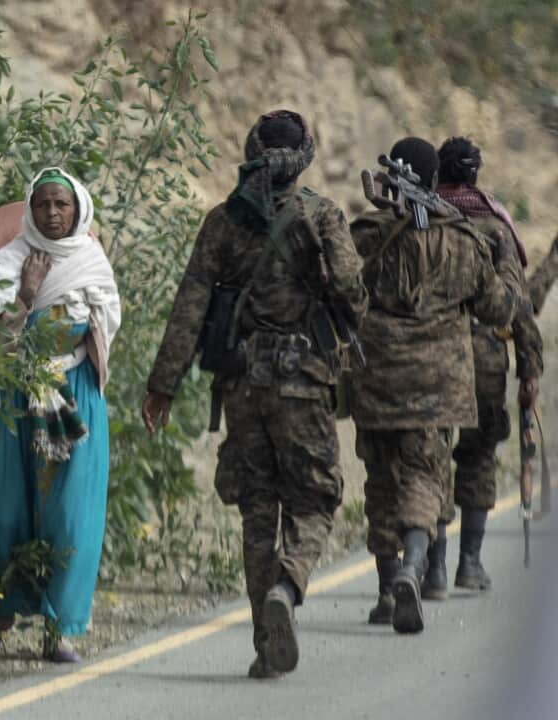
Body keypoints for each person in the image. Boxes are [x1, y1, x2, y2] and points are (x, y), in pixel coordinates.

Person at [141, 110, 366, 679]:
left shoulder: (222, 221)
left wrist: (162, 385)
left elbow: (190, 305)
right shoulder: (323, 216)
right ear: (305, 156)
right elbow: (350, 293)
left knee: (257, 512)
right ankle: (287, 589)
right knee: (314, 498)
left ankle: (267, 644)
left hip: (241, 384)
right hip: (304, 381)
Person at [350, 137, 520, 634]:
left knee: (381, 480)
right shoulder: (464, 241)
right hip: (436, 384)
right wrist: (507, 265)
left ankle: (386, 590)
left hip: (377, 379)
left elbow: (337, 287)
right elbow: (499, 308)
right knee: (425, 477)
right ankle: (413, 565)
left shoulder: (365, 234)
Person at [0, 167, 120, 663]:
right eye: (43, 205)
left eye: (62, 205)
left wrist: (60, 340)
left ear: (79, 211)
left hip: (71, 399)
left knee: (71, 515)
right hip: (9, 400)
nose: (52, 214)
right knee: (3, 512)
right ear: (30, 210)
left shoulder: (92, 264)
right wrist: (28, 295)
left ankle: (59, 630)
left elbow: (103, 325)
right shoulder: (3, 266)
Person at [420, 137, 544, 597]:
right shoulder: (495, 227)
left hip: (432, 356)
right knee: (477, 458)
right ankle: (469, 564)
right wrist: (529, 369)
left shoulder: (422, 219)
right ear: (475, 174)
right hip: (487, 361)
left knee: (430, 460)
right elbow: (519, 307)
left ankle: (432, 568)